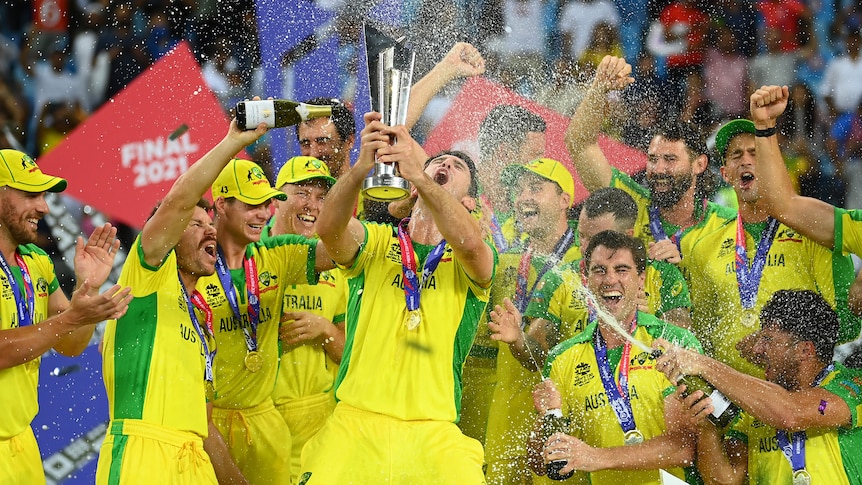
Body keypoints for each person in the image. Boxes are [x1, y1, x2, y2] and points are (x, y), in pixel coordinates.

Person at [302, 112, 496, 484]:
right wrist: (360, 168)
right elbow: (329, 229)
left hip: (433, 432)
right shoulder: (376, 241)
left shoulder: (474, 260)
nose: (444, 164)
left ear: (469, 204)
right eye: (438, 161)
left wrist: (422, 174)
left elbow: (470, 242)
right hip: (356, 423)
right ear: (408, 190)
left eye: (456, 167)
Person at [96, 120, 266, 484]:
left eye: (210, 224)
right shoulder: (146, 278)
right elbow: (177, 201)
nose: (211, 231)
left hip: (194, 464)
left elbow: (203, 423)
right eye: (195, 223)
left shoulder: (201, 316)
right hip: (144, 455)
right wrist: (232, 142)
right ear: (169, 236)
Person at [683, 103, 859, 378]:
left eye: (756, 153)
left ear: (774, 164)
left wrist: (778, 346)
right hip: (734, 406)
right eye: (736, 155)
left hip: (800, 399)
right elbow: (700, 336)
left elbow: (846, 327)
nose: (746, 160)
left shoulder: (813, 233)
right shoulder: (703, 246)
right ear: (725, 173)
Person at [520, 230, 701, 484]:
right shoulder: (563, 357)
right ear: (585, 279)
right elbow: (540, 463)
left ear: (641, 279)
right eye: (599, 270)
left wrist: (596, 457)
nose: (610, 279)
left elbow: (684, 447)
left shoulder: (674, 343)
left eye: (622, 269)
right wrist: (549, 417)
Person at [0, 149, 130, 484]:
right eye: (31, 195)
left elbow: (70, 345)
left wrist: (85, 292)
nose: (43, 207)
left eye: (43, 196)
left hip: (22, 443)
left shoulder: (36, 261)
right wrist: (73, 318)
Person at [199, 157, 331, 484]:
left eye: (267, 203)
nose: (264, 213)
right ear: (222, 205)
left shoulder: (279, 254)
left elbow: (345, 250)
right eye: (252, 204)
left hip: (265, 422)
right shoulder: (191, 266)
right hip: (206, 422)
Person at [655, 289, 862, 484]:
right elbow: (724, 480)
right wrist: (707, 423)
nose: (756, 349)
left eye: (767, 340)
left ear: (804, 350)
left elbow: (790, 413)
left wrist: (704, 364)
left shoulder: (850, 386)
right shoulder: (757, 405)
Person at [491, 187, 694, 379]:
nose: (584, 248)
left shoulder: (662, 276)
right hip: (583, 400)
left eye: (597, 239)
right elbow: (539, 358)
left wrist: (648, 321)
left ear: (627, 235)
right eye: (582, 236)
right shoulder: (560, 278)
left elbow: (684, 349)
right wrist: (518, 340)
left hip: (646, 402)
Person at [566, 55, 727, 271]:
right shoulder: (628, 205)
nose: (659, 169)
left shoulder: (725, 224)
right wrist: (600, 88)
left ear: (699, 164)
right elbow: (580, 143)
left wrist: (687, 264)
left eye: (670, 159)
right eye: (653, 159)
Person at [483, 157, 580, 484]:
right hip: (505, 417)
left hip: (561, 422)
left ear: (564, 200)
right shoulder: (504, 259)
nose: (523, 196)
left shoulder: (585, 263)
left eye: (536, 188)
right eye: (519, 188)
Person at [264, 155, 346, 483]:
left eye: (321, 197)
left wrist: (323, 329)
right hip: (262, 417)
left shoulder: (336, 267)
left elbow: (348, 355)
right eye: (301, 192)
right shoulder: (250, 256)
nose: (312, 204)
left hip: (321, 420)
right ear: (275, 199)